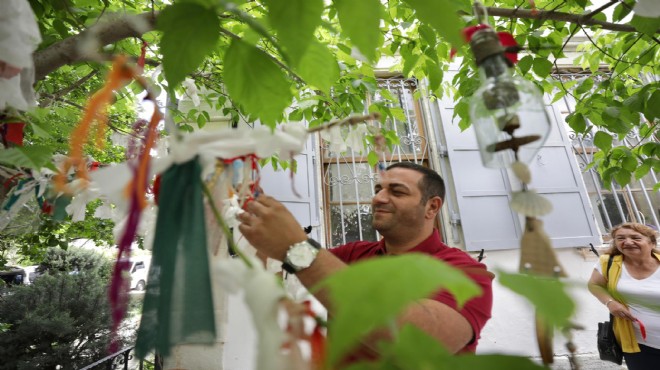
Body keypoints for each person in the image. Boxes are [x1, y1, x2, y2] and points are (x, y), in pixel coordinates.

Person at [237, 161, 493, 360]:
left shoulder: (465, 271)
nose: (378, 198)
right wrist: (256, 225)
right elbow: (277, 276)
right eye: (378, 189)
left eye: (397, 191)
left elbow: (420, 343)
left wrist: (297, 247)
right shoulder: (354, 254)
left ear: (432, 207)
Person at [588, 222, 660, 369]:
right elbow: (594, 284)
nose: (627, 242)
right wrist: (610, 303)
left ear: (651, 242)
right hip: (638, 344)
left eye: (636, 238)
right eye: (620, 238)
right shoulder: (608, 263)